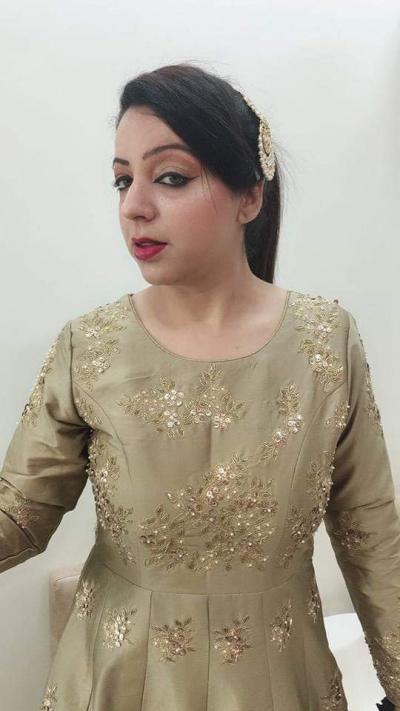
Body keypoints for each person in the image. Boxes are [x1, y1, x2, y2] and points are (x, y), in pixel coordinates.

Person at [1, 62, 399, 711]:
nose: (134, 206)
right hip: (116, 678)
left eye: (170, 177)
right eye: (123, 180)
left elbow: (371, 533)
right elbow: (19, 513)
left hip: (279, 679)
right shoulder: (89, 346)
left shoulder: (326, 342)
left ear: (250, 197)